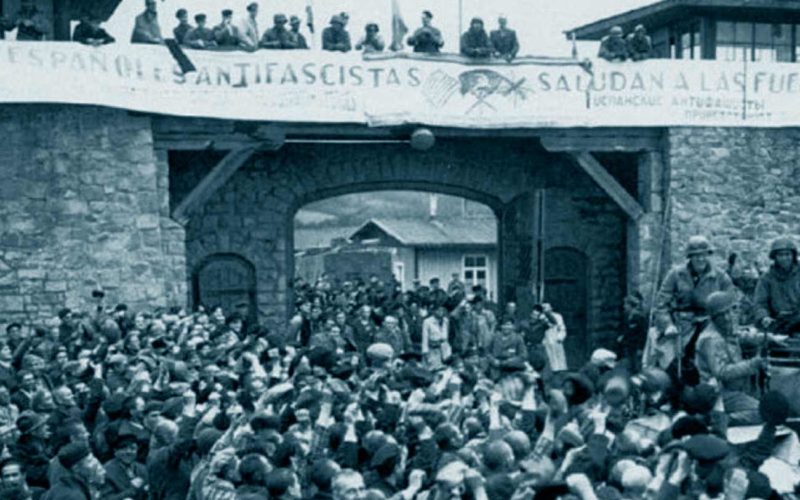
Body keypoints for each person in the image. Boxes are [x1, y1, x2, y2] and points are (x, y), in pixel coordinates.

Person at [653, 235, 733, 374]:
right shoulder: (676, 274)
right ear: (690, 257)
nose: (701, 259)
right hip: (682, 323)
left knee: (715, 350)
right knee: (667, 355)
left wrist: (726, 323)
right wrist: (667, 324)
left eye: (704, 255)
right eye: (696, 256)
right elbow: (661, 303)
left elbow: (731, 301)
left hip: (710, 322)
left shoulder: (720, 276)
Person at [695, 291, 766, 425]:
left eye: (729, 312)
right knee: (763, 413)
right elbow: (721, 372)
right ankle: (720, 420)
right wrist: (753, 364)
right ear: (713, 318)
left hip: (735, 389)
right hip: (718, 393)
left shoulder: (725, 329)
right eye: (721, 315)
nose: (727, 318)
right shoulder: (711, 339)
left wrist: (768, 338)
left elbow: (740, 336)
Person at [754, 236, 800, 336]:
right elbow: (760, 303)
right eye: (780, 255)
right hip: (778, 321)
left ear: (793, 256)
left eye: (787, 254)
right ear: (775, 257)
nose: (784, 258)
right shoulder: (766, 278)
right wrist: (764, 316)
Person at [421, 303, 450, 370]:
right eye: (438, 310)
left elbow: (446, 336)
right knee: (433, 368)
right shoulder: (427, 321)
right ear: (434, 311)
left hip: (444, 348)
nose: (440, 312)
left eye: (442, 310)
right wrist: (425, 352)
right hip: (433, 348)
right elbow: (425, 338)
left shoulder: (445, 321)